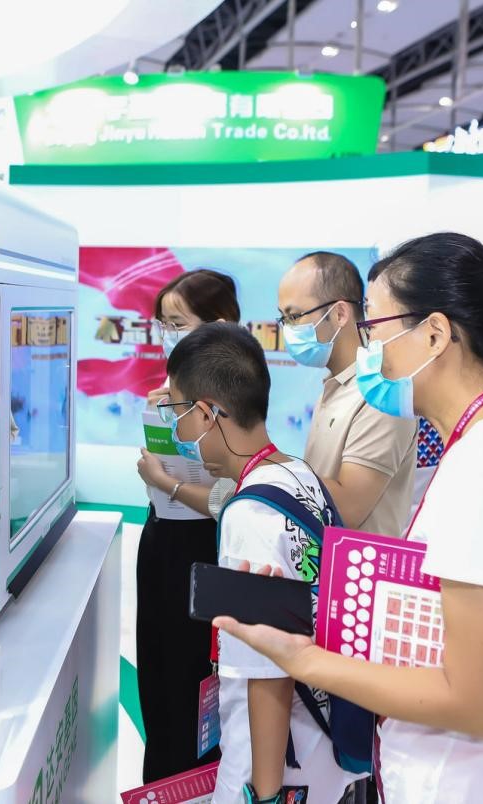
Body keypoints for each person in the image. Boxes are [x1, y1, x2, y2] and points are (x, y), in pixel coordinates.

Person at [215, 232, 483, 803]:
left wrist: (304, 659)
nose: (369, 349)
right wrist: (316, 620)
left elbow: (474, 702)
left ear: (434, 334)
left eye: (376, 328)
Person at [163, 322, 364, 803]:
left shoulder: (250, 515)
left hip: (275, 763)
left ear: (207, 414)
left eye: (177, 412)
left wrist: (266, 795)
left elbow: (268, 672)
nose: (176, 429)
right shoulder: (296, 472)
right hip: (323, 744)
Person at [133, 269, 240, 782]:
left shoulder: (235, 399)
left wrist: (167, 482)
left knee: (191, 684)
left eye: (177, 323)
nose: (166, 335)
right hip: (161, 542)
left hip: (203, 553)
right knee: (156, 676)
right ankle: (159, 784)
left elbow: (230, 498)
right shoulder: (166, 393)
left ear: (217, 325)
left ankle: (192, 784)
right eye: (162, 324)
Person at [277, 252, 416, 534]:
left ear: (340, 314)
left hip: (358, 562)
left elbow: (348, 509)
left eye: (294, 316)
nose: (287, 329)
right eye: (283, 318)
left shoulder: (379, 393)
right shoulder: (335, 385)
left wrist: (266, 464)